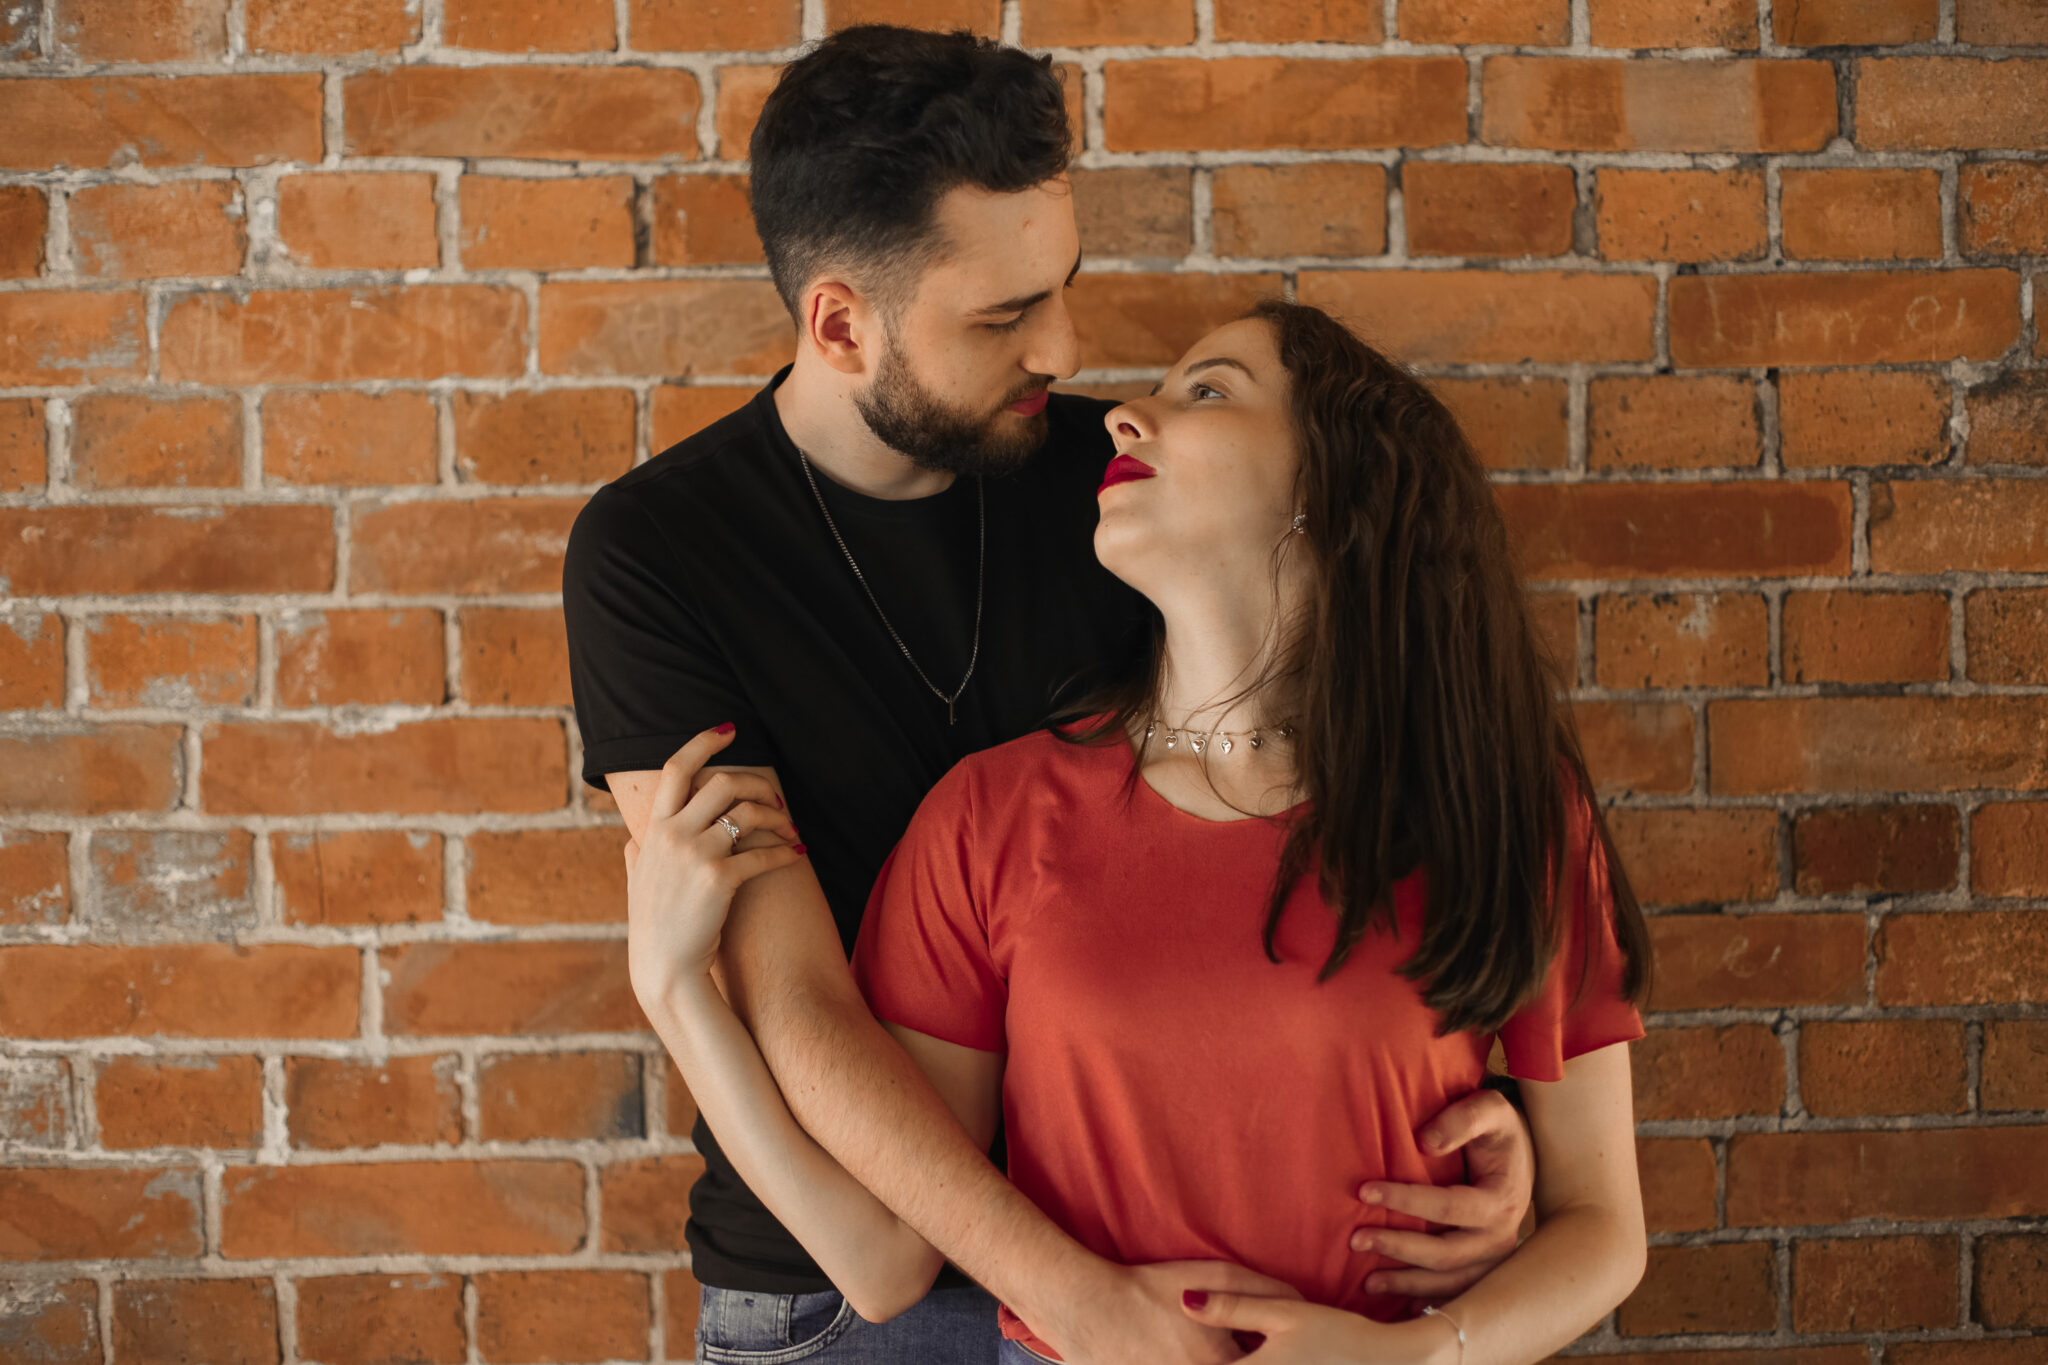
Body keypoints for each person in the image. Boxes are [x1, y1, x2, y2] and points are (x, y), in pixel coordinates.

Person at [564, 24, 1536, 1364]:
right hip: (839, 1265)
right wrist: (1069, 1298)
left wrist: (1485, 1119)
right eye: (1003, 316)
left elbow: (1328, 782)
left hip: (1147, 1228)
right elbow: (792, 991)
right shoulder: (659, 551)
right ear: (840, 323)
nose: (1064, 349)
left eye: (1063, 286)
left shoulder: (1117, 483)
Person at [624, 299, 1653, 1364]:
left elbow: (1600, 1226)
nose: (1122, 414)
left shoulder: (1501, 803)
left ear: (1336, 482)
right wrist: (677, 992)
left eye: (1206, 391)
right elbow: (878, 1253)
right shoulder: (990, 819)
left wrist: (1412, 1355)